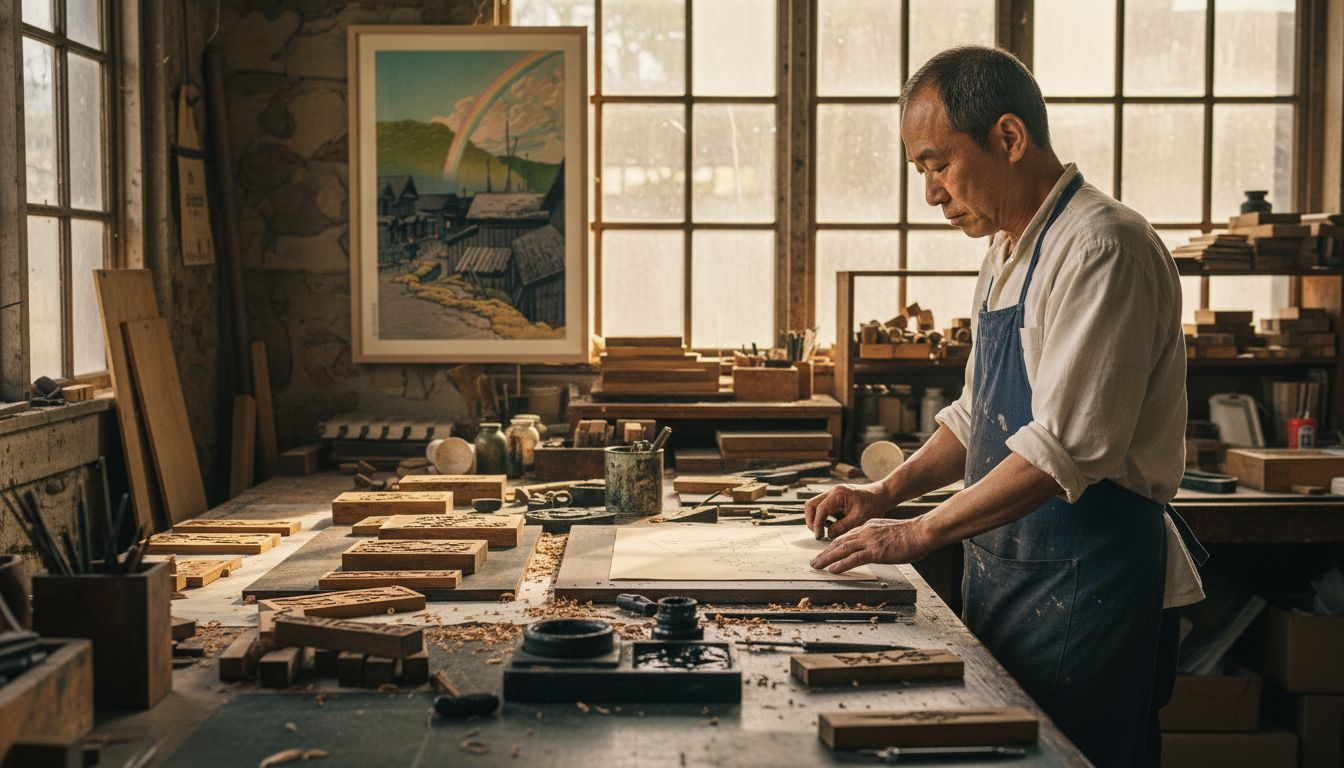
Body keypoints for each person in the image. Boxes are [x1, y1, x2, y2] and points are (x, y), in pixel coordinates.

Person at [804, 46, 1207, 767]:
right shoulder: (1007, 250)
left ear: (1010, 138)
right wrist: (884, 493)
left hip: (1089, 582)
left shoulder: (1100, 248)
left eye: (938, 164)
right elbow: (976, 416)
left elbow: (1062, 453)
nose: (929, 193)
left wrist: (918, 533)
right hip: (1009, 569)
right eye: (918, 171)